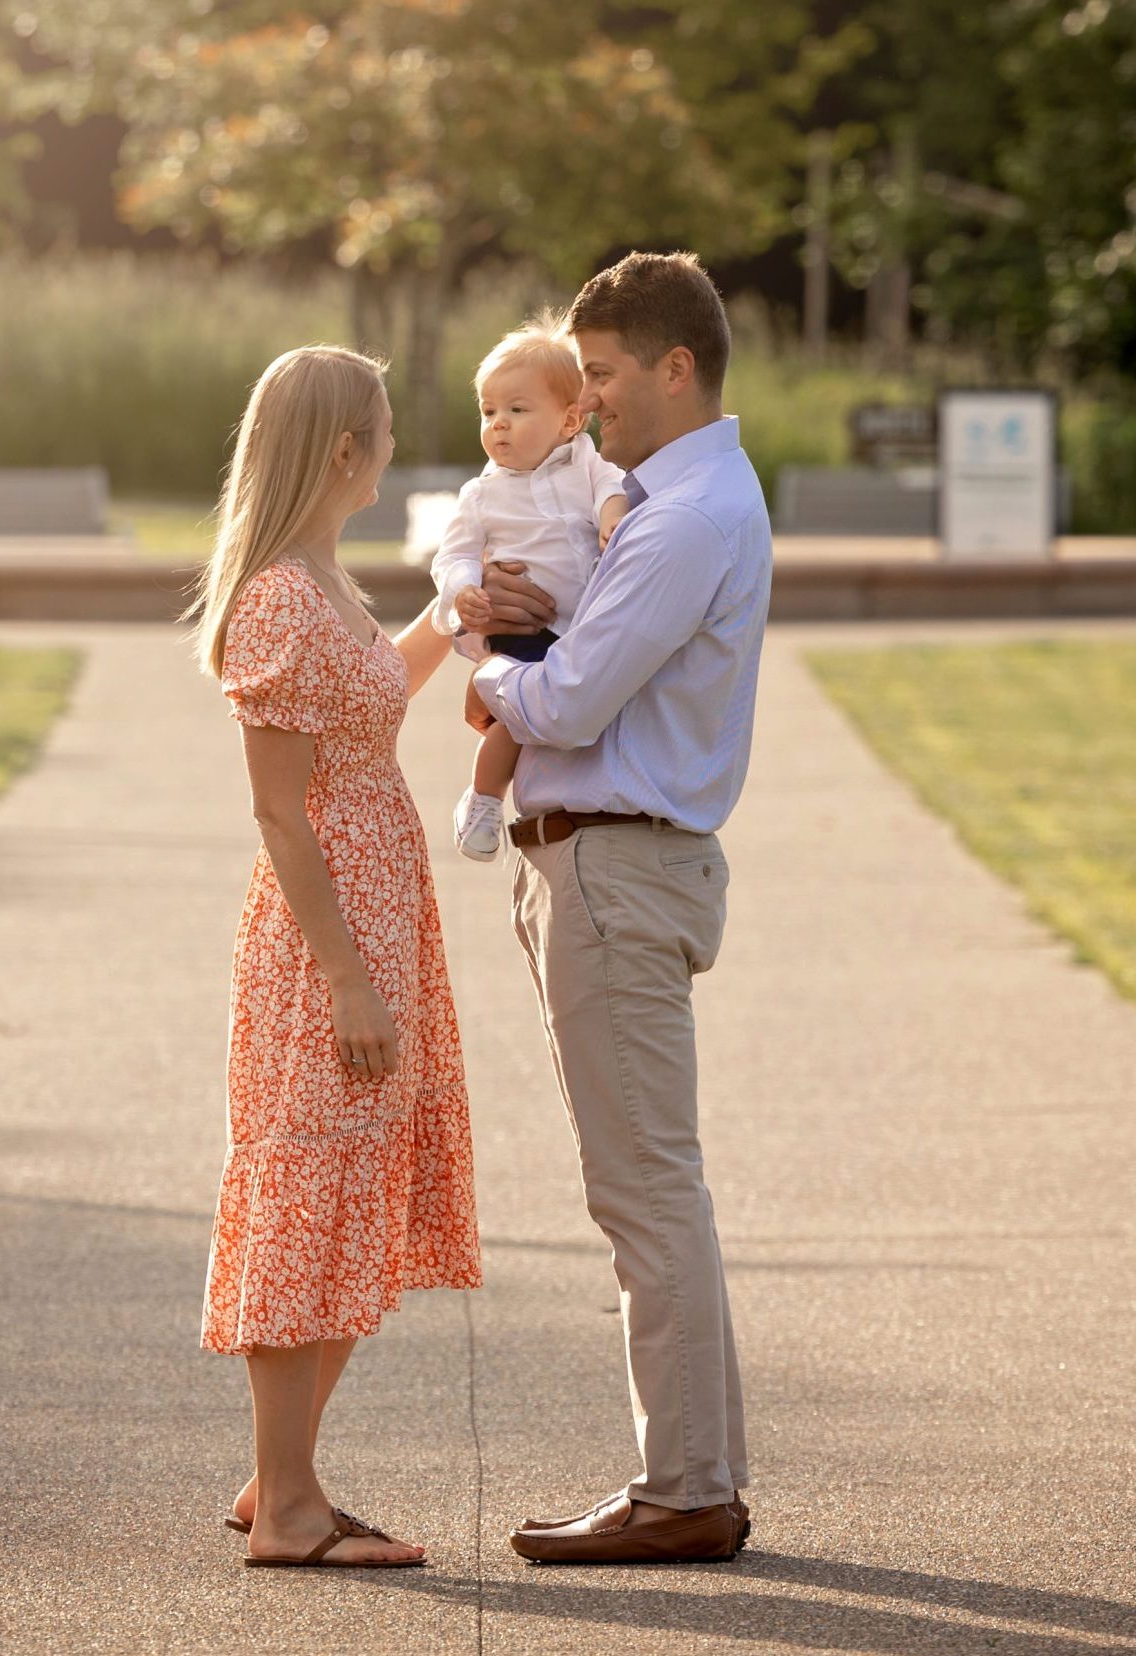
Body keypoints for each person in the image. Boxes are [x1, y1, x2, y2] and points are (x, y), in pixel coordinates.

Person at [459, 252, 772, 1565]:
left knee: (643, 1189)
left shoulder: (687, 512)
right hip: (607, 858)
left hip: (616, 865)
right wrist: (526, 619)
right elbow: (587, 666)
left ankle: (682, 1487)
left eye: (599, 375)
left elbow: (571, 701)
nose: (586, 400)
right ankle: (696, 1475)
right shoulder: (661, 501)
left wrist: (484, 661)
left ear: (674, 366)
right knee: (656, 1186)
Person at [190, 344, 483, 1569]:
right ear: (341, 450)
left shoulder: (321, 583)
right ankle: (293, 1506)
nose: (393, 448)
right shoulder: (273, 596)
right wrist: (350, 975)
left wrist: (446, 623)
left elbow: (368, 704)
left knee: (355, 1187)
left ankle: (280, 1482)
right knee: (309, 1191)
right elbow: (277, 810)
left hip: (375, 916)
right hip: (326, 944)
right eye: (382, 429)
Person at [429, 315, 631, 860]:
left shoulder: (585, 464)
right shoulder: (481, 495)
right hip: (523, 628)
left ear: (569, 421)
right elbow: (454, 554)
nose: (498, 424)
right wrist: (466, 589)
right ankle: (485, 798)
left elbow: (612, 486)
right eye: (488, 411)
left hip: (582, 626)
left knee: (575, 711)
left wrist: (612, 515)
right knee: (515, 724)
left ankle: (552, 796)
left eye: (517, 411)